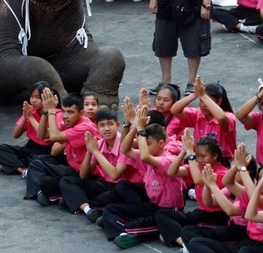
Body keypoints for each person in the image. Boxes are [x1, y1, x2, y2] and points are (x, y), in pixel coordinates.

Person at [101, 105, 186, 249]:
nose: (143, 147)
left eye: (147, 144)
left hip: (169, 212)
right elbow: (124, 149)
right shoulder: (148, 155)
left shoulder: (166, 159)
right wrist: (134, 126)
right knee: (110, 209)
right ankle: (127, 232)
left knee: (150, 221)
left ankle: (133, 231)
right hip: (152, 206)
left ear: (160, 143)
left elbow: (145, 156)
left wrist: (140, 128)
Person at [24, 89, 98, 204]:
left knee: (51, 183)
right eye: (63, 111)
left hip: (88, 175)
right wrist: (45, 112)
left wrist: (52, 111)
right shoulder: (70, 122)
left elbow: (53, 136)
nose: (65, 116)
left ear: (81, 113)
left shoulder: (85, 127)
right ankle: (39, 193)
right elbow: (42, 135)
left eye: (70, 112)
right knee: (37, 163)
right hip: (73, 168)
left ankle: (50, 194)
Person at [156, 131, 229, 248]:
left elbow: (198, 180)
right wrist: (184, 150)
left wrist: (191, 153)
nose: (199, 160)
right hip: (200, 212)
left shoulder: (222, 173)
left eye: (203, 156)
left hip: (216, 217)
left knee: (185, 230)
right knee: (162, 213)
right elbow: (171, 172)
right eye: (197, 155)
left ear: (215, 156)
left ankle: (177, 238)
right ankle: (183, 242)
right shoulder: (198, 167)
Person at [0, 81, 59, 176]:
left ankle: (14, 165)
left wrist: (30, 118)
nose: (33, 101)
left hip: (44, 151)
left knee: (40, 161)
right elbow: (15, 134)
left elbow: (44, 137)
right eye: (32, 97)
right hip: (29, 147)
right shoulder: (30, 111)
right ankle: (23, 170)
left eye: (37, 97)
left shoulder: (55, 114)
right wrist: (25, 116)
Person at [170, 76, 237, 161]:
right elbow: (174, 110)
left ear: (219, 101)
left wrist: (203, 95)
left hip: (222, 161)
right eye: (201, 100)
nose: (203, 105)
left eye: (207, 101)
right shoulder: (198, 114)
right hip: (200, 158)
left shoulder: (229, 117)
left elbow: (221, 118)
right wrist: (194, 94)